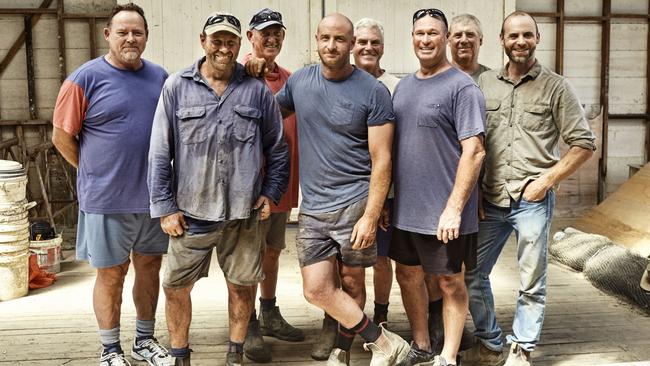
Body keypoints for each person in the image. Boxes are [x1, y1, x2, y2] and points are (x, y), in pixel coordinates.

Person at [147, 11, 289, 366]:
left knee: (242, 286)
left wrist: (270, 193)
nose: (223, 48)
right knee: (176, 286)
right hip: (190, 213)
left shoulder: (256, 90)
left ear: (239, 44)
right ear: (202, 41)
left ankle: (234, 353)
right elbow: (160, 152)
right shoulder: (177, 87)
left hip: (243, 214)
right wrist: (165, 207)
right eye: (216, 40)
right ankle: (181, 355)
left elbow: (278, 148)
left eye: (230, 41)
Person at [275, 13, 410, 366]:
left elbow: (382, 161)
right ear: (316, 41)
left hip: (354, 203)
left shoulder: (373, 91)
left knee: (351, 283)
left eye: (340, 40)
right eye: (325, 38)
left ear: (351, 44)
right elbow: (270, 111)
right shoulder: (300, 82)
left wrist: (369, 215)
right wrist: (250, 72)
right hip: (313, 206)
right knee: (316, 288)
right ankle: (382, 340)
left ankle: (343, 352)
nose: (331, 46)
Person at [463, 11, 595, 366]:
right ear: (502, 40)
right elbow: (473, 143)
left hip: (532, 200)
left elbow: (583, 143)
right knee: (471, 274)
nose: (519, 42)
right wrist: (473, 192)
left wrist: (546, 180)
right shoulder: (484, 84)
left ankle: (521, 348)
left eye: (527, 35)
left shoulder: (556, 87)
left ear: (537, 39)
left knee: (531, 280)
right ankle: (490, 344)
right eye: (513, 36)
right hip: (490, 199)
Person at [52, 4, 171, 366]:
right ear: (108, 35)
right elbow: (61, 137)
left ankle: (144, 341)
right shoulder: (83, 79)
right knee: (111, 274)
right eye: (122, 32)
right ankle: (109, 349)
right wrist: (93, 172)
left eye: (137, 32)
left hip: (152, 200)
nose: (130, 38)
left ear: (147, 36)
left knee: (149, 269)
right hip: (106, 200)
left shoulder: (161, 78)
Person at [390, 8, 486, 366]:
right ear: (412, 38)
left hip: (445, 213)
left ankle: (447, 356)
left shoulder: (462, 87)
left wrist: (454, 208)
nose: (425, 39)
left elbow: (474, 151)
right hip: (406, 210)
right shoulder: (404, 86)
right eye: (419, 33)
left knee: (449, 283)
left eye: (433, 33)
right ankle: (421, 345)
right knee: (408, 275)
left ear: (445, 38)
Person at [239, 8, 304, 363]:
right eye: (264, 32)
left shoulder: (290, 79)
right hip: (251, 190)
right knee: (248, 256)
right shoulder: (241, 75)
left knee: (272, 251)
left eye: (277, 32)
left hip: (283, 188)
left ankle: (268, 311)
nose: (272, 38)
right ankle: (246, 322)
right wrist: (246, 67)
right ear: (250, 37)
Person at [351, 17, 400, 327]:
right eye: (362, 41)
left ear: (383, 47)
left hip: (387, 191)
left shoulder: (397, 86)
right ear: (352, 46)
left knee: (382, 259)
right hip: (349, 189)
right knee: (349, 263)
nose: (368, 47)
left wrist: (385, 197)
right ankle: (349, 320)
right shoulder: (340, 81)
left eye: (375, 42)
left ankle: (381, 316)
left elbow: (396, 147)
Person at [448, 14, 490, 82]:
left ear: (481, 40)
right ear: (449, 41)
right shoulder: (436, 78)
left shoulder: (492, 80)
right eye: (458, 35)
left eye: (470, 35)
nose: (464, 40)